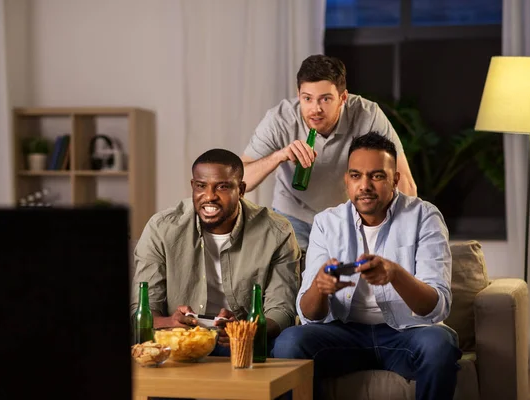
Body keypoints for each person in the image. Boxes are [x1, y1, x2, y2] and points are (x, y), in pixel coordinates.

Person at [273, 133, 461, 400]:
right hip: (343, 335)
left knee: (439, 345)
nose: (365, 185)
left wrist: (395, 274)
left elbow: (435, 307)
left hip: (406, 335)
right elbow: (309, 314)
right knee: (289, 342)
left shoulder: (424, 216)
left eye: (377, 176)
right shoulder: (328, 222)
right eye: (356, 175)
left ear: (395, 179)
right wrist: (320, 287)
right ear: (346, 180)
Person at [241, 54, 417, 254]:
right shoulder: (279, 119)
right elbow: (240, 179)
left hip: (345, 215)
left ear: (343, 98)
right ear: (298, 94)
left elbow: (405, 182)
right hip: (292, 214)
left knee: (347, 281)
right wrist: (278, 156)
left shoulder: (367, 115)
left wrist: (404, 240)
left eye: (325, 99)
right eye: (307, 98)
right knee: (290, 281)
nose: (315, 109)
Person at [131, 148, 300, 356]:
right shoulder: (162, 228)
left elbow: (282, 310)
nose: (209, 196)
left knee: (284, 344)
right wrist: (169, 322)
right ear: (193, 186)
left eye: (222, 187)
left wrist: (243, 330)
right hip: (179, 341)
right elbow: (142, 307)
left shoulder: (277, 231)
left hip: (243, 342)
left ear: (241, 189)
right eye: (201, 186)